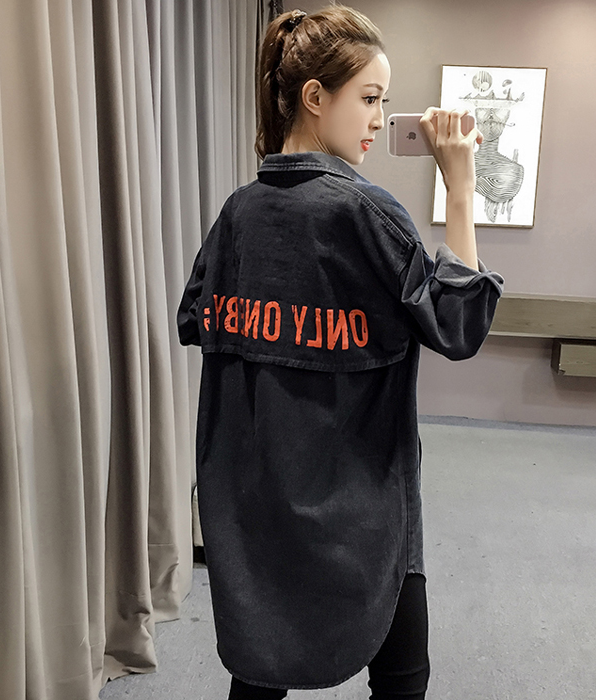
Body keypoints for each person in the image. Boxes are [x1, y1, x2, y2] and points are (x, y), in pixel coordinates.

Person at [177, 5, 504, 699]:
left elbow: (195, 317)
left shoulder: (239, 211)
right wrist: (461, 187)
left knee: (259, 668)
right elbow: (458, 324)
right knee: (401, 676)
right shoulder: (365, 212)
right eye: (371, 98)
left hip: (258, 491)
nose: (379, 120)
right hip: (361, 500)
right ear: (315, 96)